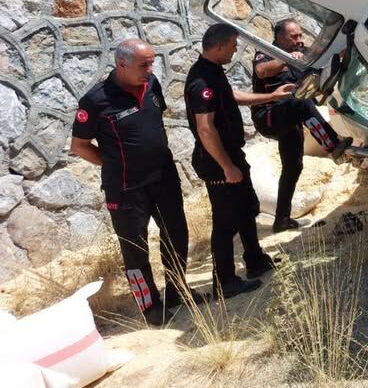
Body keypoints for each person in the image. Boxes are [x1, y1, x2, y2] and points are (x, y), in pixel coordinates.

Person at [70, 38, 193, 326]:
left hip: (164, 179)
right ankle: (150, 306)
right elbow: (80, 146)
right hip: (125, 189)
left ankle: (178, 292)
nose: (150, 69)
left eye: (152, 62)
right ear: (121, 65)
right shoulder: (95, 100)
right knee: (135, 250)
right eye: (144, 64)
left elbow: (153, 122)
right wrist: (116, 163)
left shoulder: (151, 85)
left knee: (177, 234)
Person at [184, 23, 294, 297]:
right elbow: (205, 129)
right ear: (219, 47)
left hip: (232, 153)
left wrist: (271, 96)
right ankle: (224, 282)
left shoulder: (213, 73)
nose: (236, 50)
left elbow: (232, 96)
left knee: (247, 208)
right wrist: (227, 166)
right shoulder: (201, 82)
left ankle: (255, 260)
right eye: (233, 46)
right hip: (217, 160)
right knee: (226, 221)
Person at [251, 18, 353, 233]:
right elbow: (262, 71)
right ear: (279, 38)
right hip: (269, 116)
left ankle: (282, 220)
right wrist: (286, 59)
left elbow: (330, 56)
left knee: (293, 167)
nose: (299, 40)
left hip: (292, 119)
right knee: (301, 101)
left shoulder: (305, 51)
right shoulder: (267, 52)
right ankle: (332, 145)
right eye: (293, 36)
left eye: (300, 35)